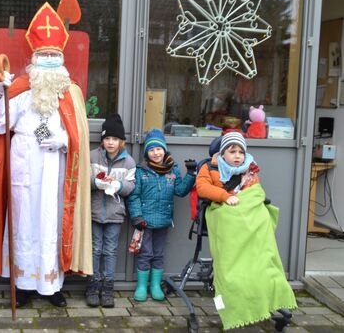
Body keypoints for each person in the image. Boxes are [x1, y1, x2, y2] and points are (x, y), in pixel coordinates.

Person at [0, 2, 92, 307]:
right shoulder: (19, 87)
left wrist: (60, 140)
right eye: (42, 55)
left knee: (52, 222)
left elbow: (78, 136)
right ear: (33, 59)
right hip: (24, 166)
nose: (47, 59)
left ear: (61, 59)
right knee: (24, 224)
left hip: (55, 169)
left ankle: (52, 285)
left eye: (52, 55)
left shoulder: (70, 91)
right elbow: (0, 123)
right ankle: (24, 284)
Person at [195, 132, 297, 330]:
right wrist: (225, 196)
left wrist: (249, 199)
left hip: (247, 209)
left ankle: (263, 270)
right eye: (232, 151)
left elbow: (256, 192)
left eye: (241, 151)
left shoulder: (249, 169)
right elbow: (202, 188)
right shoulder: (209, 167)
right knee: (229, 217)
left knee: (264, 215)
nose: (237, 155)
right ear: (222, 153)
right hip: (222, 210)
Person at [126, 129, 196, 302]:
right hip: (145, 221)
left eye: (159, 149)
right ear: (147, 153)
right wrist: (137, 216)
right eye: (151, 150)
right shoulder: (141, 171)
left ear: (164, 150)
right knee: (145, 254)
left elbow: (180, 191)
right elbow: (134, 196)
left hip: (164, 220)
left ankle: (155, 285)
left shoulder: (173, 169)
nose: (156, 153)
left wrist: (191, 175)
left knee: (158, 254)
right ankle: (142, 286)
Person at [87, 114, 136, 308]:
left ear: (121, 141)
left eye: (114, 139)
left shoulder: (128, 162)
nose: (110, 143)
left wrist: (118, 185)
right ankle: (92, 285)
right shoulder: (92, 156)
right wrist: (96, 182)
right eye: (107, 138)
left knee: (110, 250)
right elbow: (83, 179)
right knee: (94, 249)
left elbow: (131, 186)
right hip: (94, 212)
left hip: (115, 214)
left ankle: (108, 288)